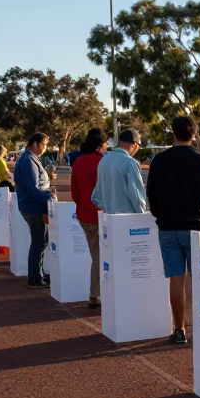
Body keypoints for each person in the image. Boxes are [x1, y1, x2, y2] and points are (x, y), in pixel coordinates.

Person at [146, 115, 200, 344]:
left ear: (173, 133)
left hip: (168, 227)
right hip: (196, 226)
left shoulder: (158, 161)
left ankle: (179, 329)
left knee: (176, 278)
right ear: (194, 134)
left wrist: (161, 214)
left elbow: (151, 197)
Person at [70, 128, 107, 309]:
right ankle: (96, 294)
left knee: (96, 255)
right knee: (101, 257)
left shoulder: (78, 162)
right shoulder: (101, 162)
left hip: (84, 214)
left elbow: (75, 193)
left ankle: (96, 293)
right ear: (100, 145)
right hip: (100, 215)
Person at [14, 132, 55, 288]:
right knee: (39, 242)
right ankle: (35, 277)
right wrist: (48, 194)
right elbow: (33, 189)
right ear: (36, 143)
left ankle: (38, 274)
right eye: (45, 145)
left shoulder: (30, 159)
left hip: (34, 206)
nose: (45, 148)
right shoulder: (28, 160)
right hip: (34, 207)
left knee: (40, 242)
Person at [90, 128, 147, 216]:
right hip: (128, 220)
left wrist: (109, 208)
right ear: (135, 145)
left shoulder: (104, 160)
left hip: (109, 219)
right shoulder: (129, 162)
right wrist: (142, 215)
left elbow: (96, 197)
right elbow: (136, 196)